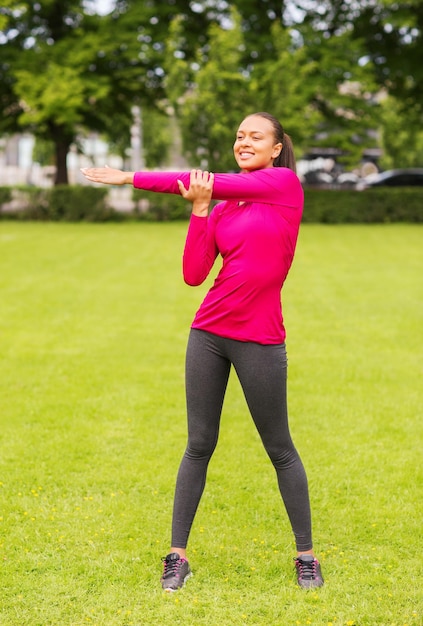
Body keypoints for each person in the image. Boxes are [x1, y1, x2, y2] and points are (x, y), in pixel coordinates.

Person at [81, 111, 324, 591]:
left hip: (260, 338)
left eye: (255, 136)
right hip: (209, 334)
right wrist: (198, 210)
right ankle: (177, 556)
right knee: (198, 445)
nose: (244, 141)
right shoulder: (223, 204)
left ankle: (306, 557)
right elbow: (194, 274)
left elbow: (205, 179)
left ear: (277, 148)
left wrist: (130, 177)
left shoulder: (282, 186)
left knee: (280, 449)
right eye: (238, 136)